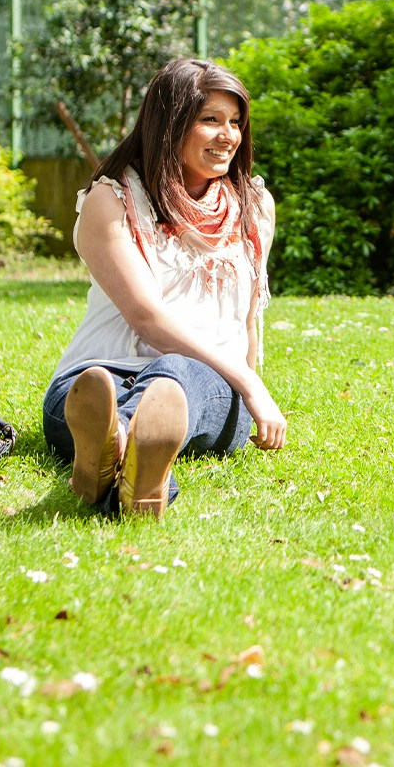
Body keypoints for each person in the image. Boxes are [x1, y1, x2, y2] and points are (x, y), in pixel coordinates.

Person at [42, 58, 286, 517]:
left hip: (205, 387)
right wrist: (251, 384)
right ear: (169, 124)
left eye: (235, 122)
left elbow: (249, 317)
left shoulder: (254, 207)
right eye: (210, 120)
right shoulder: (110, 200)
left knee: (175, 374)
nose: (228, 135)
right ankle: (130, 459)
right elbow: (146, 318)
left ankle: (116, 443)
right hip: (99, 377)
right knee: (102, 389)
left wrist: (249, 384)